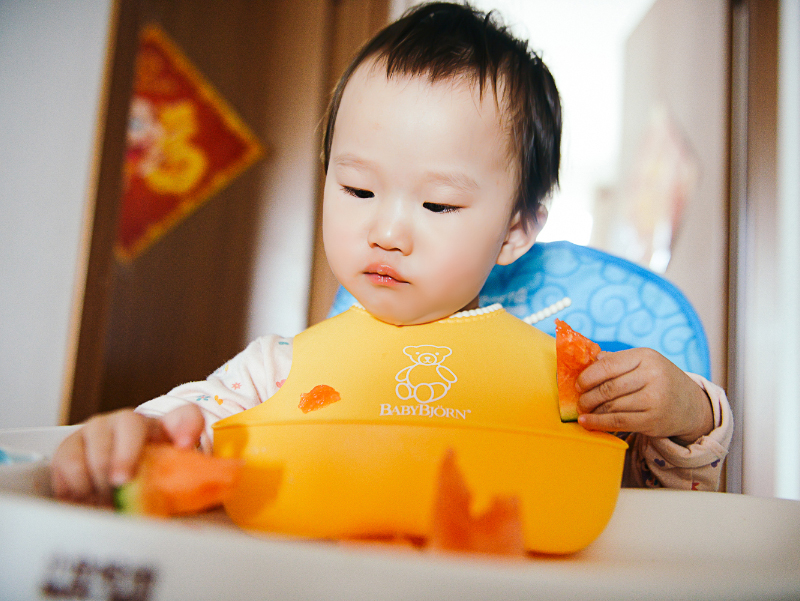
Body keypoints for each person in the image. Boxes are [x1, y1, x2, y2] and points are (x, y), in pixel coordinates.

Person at [51, 1, 732, 506]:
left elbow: (662, 505)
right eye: (357, 187)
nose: (387, 230)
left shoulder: (558, 373)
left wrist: (686, 414)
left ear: (516, 231)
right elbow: (189, 426)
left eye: (437, 205)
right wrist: (131, 437)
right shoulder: (285, 369)